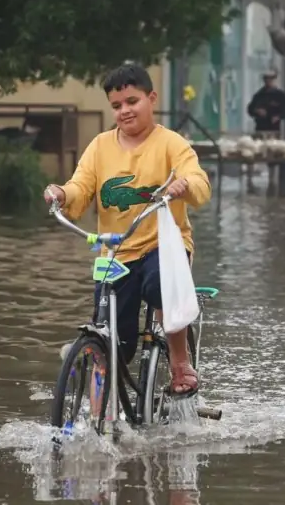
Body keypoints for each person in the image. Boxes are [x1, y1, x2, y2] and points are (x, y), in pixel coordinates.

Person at [43, 61, 211, 395]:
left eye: (132, 102)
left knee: (162, 282)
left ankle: (181, 362)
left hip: (163, 245)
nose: (125, 111)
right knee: (111, 337)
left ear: (152, 98)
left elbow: (199, 182)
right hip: (117, 251)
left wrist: (184, 185)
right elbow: (80, 187)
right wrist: (62, 193)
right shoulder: (100, 146)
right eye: (117, 106)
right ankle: (96, 413)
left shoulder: (171, 143)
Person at [246, 71, 285, 136]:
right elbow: (250, 109)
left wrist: (278, 116)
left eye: (271, 79)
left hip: (274, 130)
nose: (268, 81)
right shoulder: (259, 95)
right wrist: (257, 111)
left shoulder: (280, 95)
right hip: (260, 128)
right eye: (266, 79)